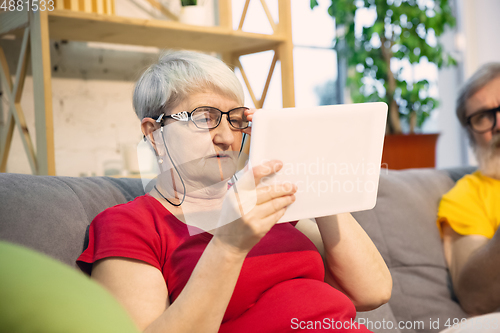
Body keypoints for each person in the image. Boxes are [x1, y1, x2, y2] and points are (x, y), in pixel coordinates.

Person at [77, 50, 392, 333]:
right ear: (155, 134)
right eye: (204, 118)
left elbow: (373, 291)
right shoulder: (132, 224)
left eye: (236, 119)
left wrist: (311, 173)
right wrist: (229, 246)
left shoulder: (264, 200)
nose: (227, 137)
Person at [437, 63, 500, 315]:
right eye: (483, 116)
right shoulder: (466, 195)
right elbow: (474, 299)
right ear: (470, 135)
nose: (498, 124)